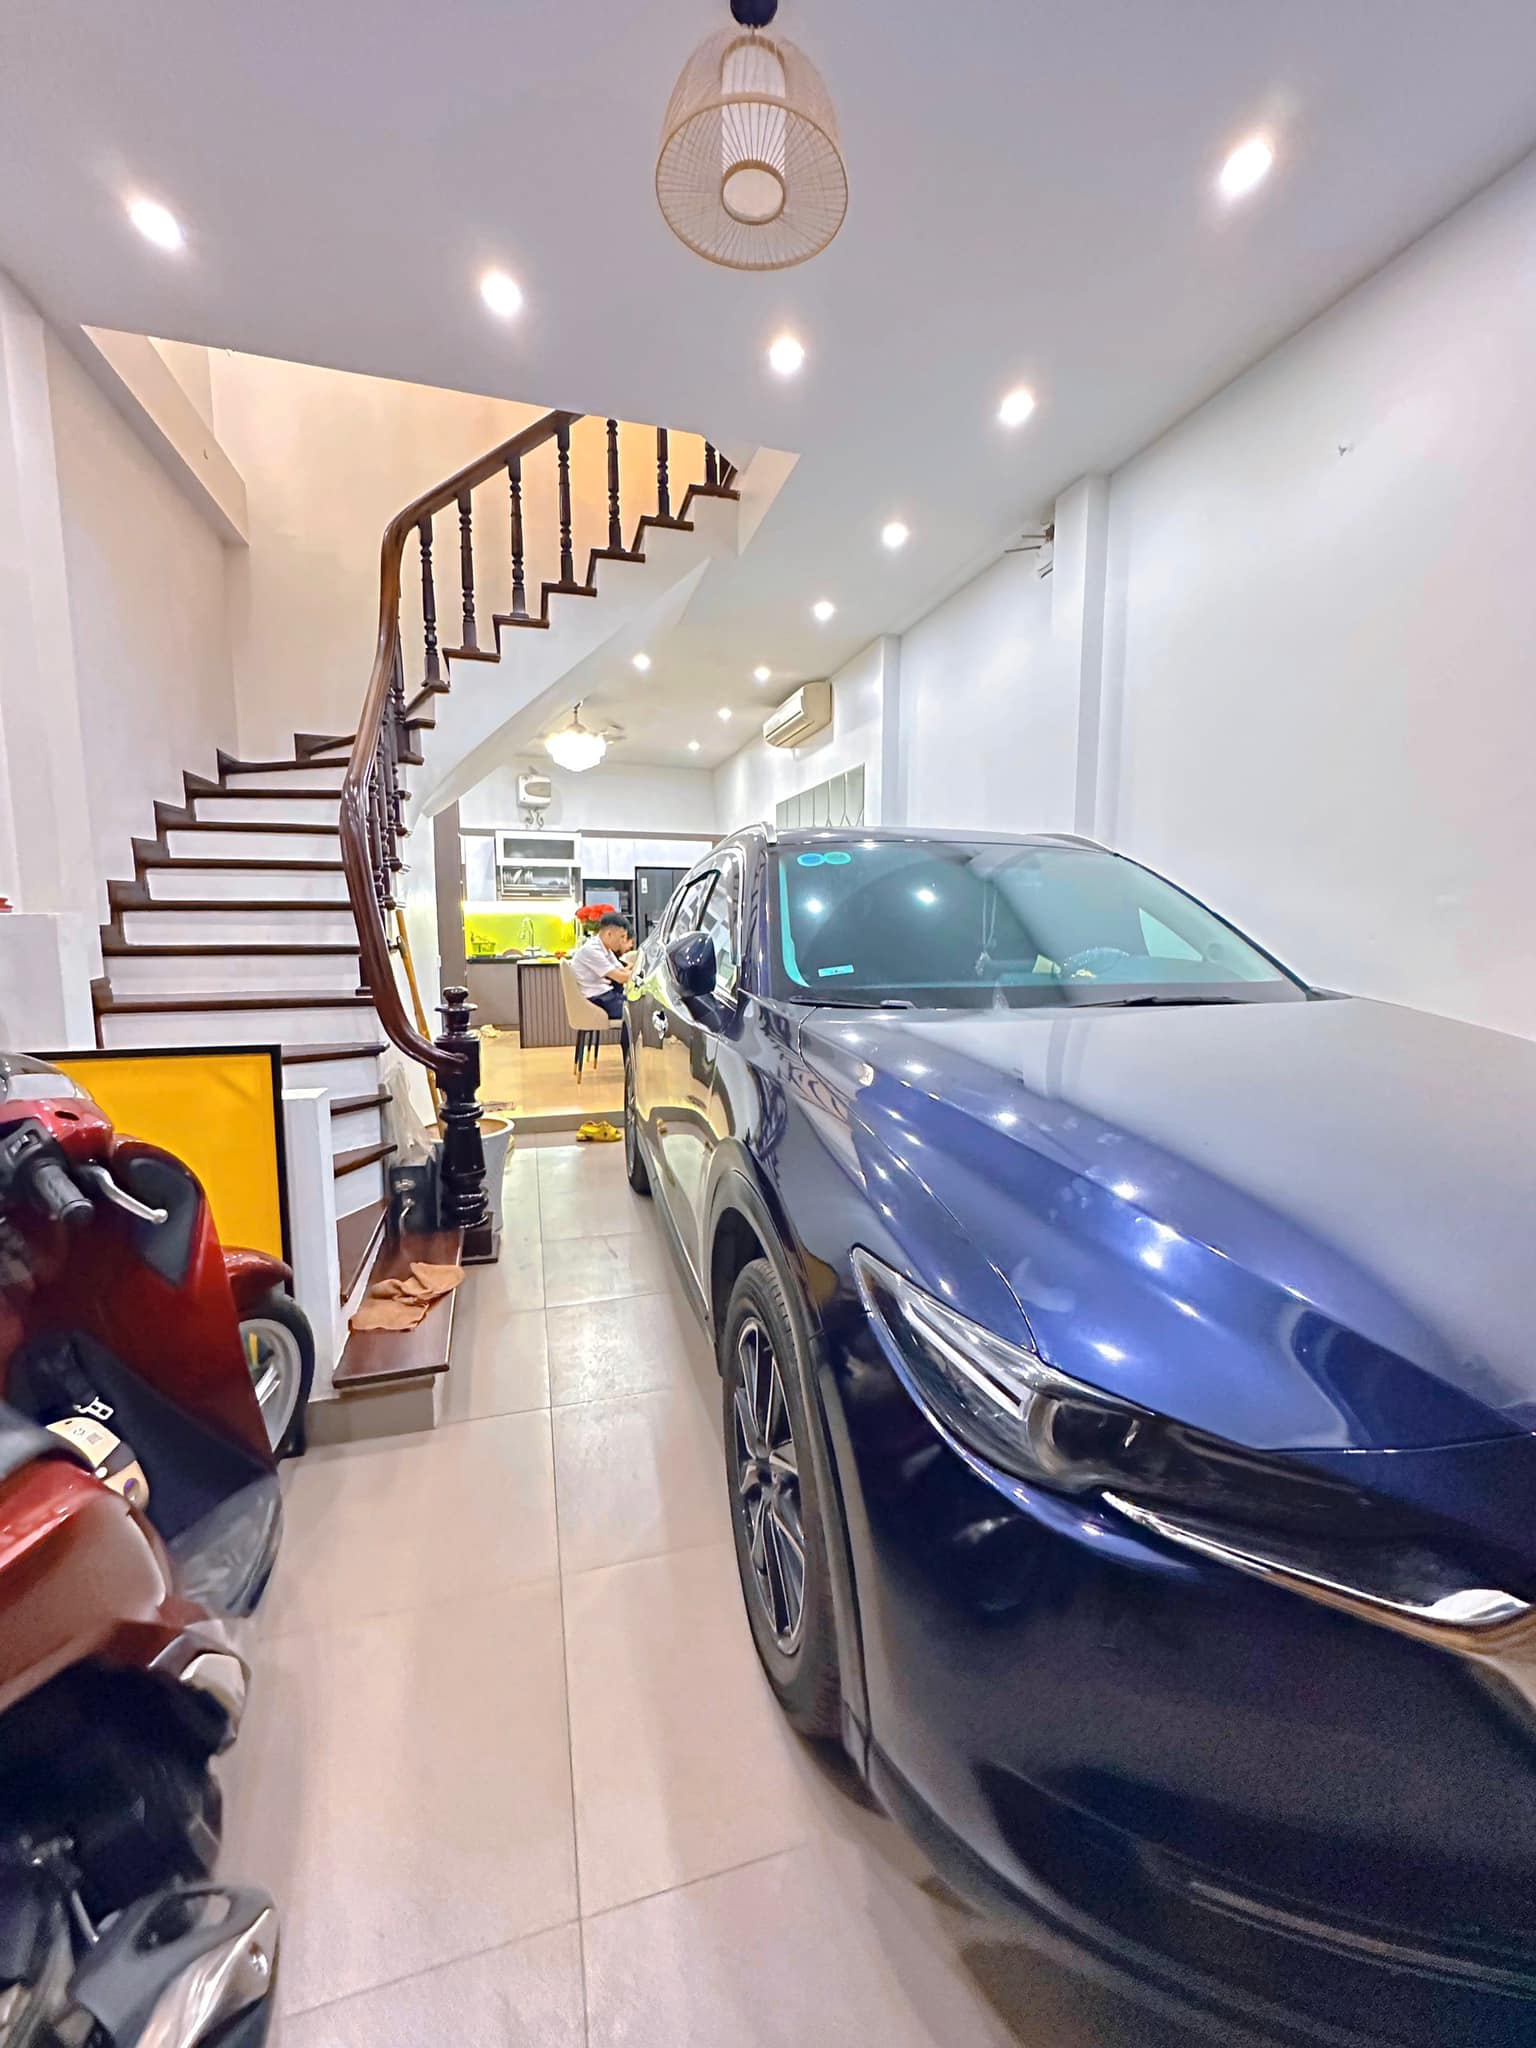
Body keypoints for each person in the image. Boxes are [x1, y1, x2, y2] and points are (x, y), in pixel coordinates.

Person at [571, 911, 634, 1021]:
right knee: (637, 1011)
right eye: (621, 937)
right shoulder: (592, 950)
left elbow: (621, 971)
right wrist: (646, 974)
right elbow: (620, 978)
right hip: (596, 999)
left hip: (606, 995)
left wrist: (637, 971)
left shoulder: (605, 948)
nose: (623, 941)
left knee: (638, 1004)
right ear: (609, 934)